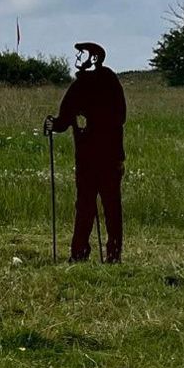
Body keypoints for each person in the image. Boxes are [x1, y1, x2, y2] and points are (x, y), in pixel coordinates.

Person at [45, 42, 126, 263]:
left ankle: (110, 253)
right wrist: (55, 124)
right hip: (89, 158)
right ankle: (81, 252)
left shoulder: (107, 82)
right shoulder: (80, 86)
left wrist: (89, 120)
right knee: (86, 206)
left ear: (94, 58)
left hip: (106, 156)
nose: (77, 57)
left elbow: (119, 117)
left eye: (82, 53)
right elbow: (64, 118)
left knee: (109, 206)